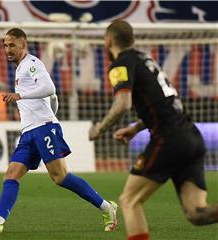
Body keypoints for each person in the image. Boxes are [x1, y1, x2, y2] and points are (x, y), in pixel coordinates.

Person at [0, 28, 118, 233]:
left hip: (43, 129)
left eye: (12, 44)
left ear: (23, 44)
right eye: (5, 45)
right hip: (29, 132)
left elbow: (50, 88)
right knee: (11, 174)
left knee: (60, 177)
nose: (7, 49)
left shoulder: (31, 64)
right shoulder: (20, 68)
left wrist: (21, 97)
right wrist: (49, 111)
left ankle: (107, 208)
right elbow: (51, 99)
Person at [88, 20, 218, 240]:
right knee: (197, 214)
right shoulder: (146, 60)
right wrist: (136, 128)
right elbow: (169, 102)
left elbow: (122, 104)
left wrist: (99, 129)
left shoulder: (121, 64)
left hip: (169, 140)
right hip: (191, 136)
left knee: (129, 201)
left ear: (108, 40)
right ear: (133, 40)